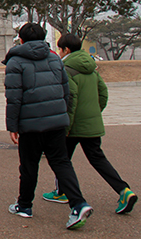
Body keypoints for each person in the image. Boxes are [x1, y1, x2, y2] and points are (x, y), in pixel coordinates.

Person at [4, 23, 92, 230]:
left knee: (29, 165)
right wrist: (62, 114)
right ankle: (78, 204)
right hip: (56, 122)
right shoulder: (55, 58)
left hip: (31, 123)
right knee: (61, 163)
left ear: (21, 40)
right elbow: (65, 90)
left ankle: (24, 205)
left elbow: (14, 97)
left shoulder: (15, 62)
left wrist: (12, 125)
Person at [41, 33, 137, 214]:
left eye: (60, 49)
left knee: (61, 160)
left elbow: (71, 99)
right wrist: (93, 114)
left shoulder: (67, 69)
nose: (59, 53)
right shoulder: (92, 68)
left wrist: (66, 127)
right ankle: (124, 190)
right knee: (98, 159)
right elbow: (103, 94)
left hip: (74, 125)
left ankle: (62, 192)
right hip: (91, 124)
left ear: (66, 50)